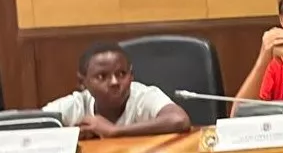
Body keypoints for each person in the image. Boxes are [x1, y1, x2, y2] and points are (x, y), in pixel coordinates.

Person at [43, 42, 191, 137]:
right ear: (82, 82)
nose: (114, 82)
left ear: (131, 75)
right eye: (102, 76)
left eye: (121, 74)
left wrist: (114, 131)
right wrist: (71, 135)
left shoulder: (143, 96)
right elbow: (33, 125)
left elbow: (179, 120)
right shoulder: (76, 104)